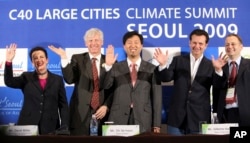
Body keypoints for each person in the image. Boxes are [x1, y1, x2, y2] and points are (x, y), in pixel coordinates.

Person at [154, 29, 227, 135]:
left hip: (200, 118)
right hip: (176, 118)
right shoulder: (178, 60)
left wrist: (218, 70)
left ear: (206, 45)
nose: (197, 46)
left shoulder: (212, 65)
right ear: (189, 43)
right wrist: (163, 65)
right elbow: (166, 78)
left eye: (201, 43)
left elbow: (219, 85)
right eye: (194, 42)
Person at [48, 28, 117, 135]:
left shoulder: (111, 60)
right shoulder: (78, 59)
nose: (93, 43)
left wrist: (106, 106)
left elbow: (112, 87)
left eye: (96, 40)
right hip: (80, 114)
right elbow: (69, 79)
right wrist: (64, 57)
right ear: (85, 43)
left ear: (102, 42)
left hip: (103, 114)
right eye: (90, 41)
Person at [104, 31, 162, 133]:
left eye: (136, 42)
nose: (133, 45)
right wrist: (108, 66)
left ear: (141, 45)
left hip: (143, 118)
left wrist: (157, 124)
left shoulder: (152, 69)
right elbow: (106, 86)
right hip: (118, 117)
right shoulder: (116, 67)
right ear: (124, 46)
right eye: (129, 42)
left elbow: (157, 98)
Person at [4, 44, 69, 135]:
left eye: (41, 57)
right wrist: (9, 61)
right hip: (27, 126)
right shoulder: (26, 77)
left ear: (47, 60)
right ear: (32, 62)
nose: (39, 60)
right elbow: (9, 82)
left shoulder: (57, 80)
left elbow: (63, 106)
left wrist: (64, 126)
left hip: (51, 128)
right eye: (35, 58)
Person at [213, 33, 250, 126]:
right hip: (225, 113)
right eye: (227, 44)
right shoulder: (220, 66)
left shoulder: (248, 65)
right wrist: (218, 70)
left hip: (246, 113)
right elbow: (216, 88)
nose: (230, 46)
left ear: (241, 47)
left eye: (233, 44)